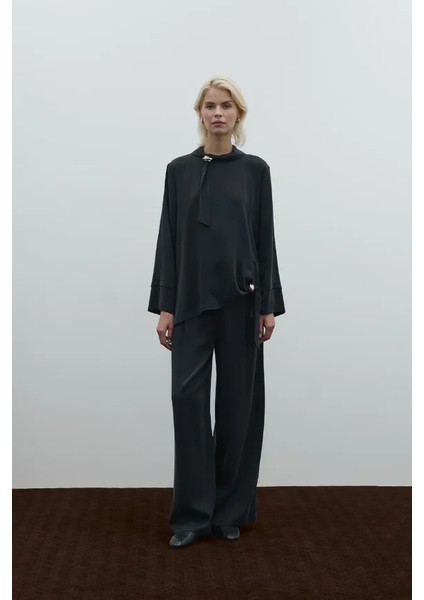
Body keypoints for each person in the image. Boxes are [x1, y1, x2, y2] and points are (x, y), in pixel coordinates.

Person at [147, 76, 286, 549]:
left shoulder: (255, 171)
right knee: (187, 403)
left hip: (242, 304)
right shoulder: (178, 171)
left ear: (238, 114)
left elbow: (265, 238)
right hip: (190, 304)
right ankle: (191, 516)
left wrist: (268, 304)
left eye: (226, 106)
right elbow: (168, 238)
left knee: (237, 407)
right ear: (200, 113)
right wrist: (166, 305)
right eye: (210, 106)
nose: (218, 113)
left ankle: (229, 511)